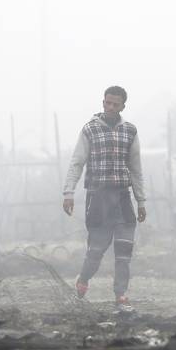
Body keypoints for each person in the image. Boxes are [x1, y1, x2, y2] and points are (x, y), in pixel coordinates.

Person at [62, 86, 146, 310]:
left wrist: (141, 201)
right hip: (98, 199)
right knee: (96, 250)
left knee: (124, 251)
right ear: (103, 102)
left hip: (122, 199)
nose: (110, 107)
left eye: (115, 104)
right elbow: (77, 162)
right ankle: (83, 280)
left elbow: (136, 169)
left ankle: (120, 295)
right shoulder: (90, 130)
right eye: (107, 103)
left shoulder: (130, 131)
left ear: (122, 106)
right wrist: (69, 192)